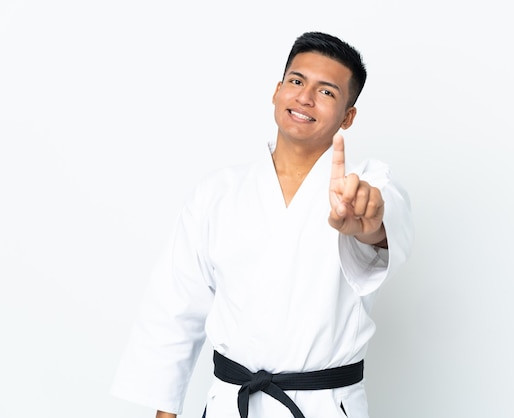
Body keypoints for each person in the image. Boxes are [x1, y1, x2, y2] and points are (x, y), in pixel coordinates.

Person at [111, 31, 414, 418]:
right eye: (297, 81)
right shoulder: (216, 193)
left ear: (347, 116)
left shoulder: (366, 186)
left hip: (323, 405)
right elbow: (175, 308)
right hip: (231, 403)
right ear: (277, 91)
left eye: (327, 92)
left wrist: (367, 225)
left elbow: (385, 225)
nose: (304, 97)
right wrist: (165, 412)